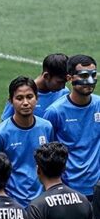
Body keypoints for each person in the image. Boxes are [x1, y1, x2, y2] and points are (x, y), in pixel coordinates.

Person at [0, 77, 53, 207]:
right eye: (19, 98)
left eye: (29, 97)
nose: (25, 102)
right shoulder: (0, 134)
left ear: (37, 98)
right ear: (11, 101)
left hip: (41, 204)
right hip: (12, 206)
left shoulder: (46, 127)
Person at [43, 55, 100, 199]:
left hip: (97, 188)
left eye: (93, 75)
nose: (90, 81)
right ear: (69, 78)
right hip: (67, 191)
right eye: (84, 75)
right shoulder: (55, 112)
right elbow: (45, 152)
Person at [0, 53, 68, 120]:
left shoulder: (64, 93)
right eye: (60, 82)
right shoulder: (21, 94)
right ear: (46, 76)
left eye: (65, 82)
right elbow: (5, 124)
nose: (63, 86)